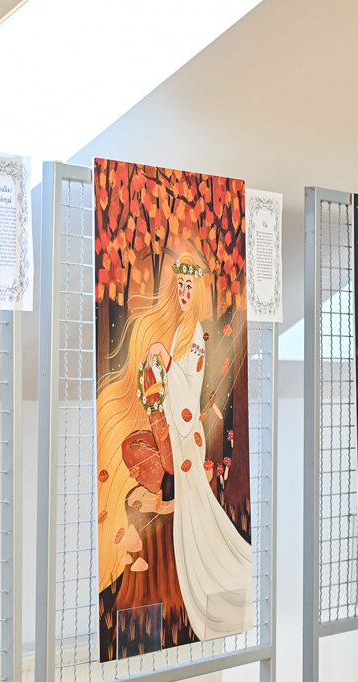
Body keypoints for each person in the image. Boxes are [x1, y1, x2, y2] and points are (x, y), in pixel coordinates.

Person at [96, 251, 252, 641]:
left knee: (193, 510)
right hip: (172, 427)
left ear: (196, 292)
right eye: (179, 285)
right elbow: (163, 382)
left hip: (186, 430)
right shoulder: (175, 327)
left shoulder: (194, 333)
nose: (183, 292)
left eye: (189, 287)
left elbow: (189, 388)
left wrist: (164, 361)